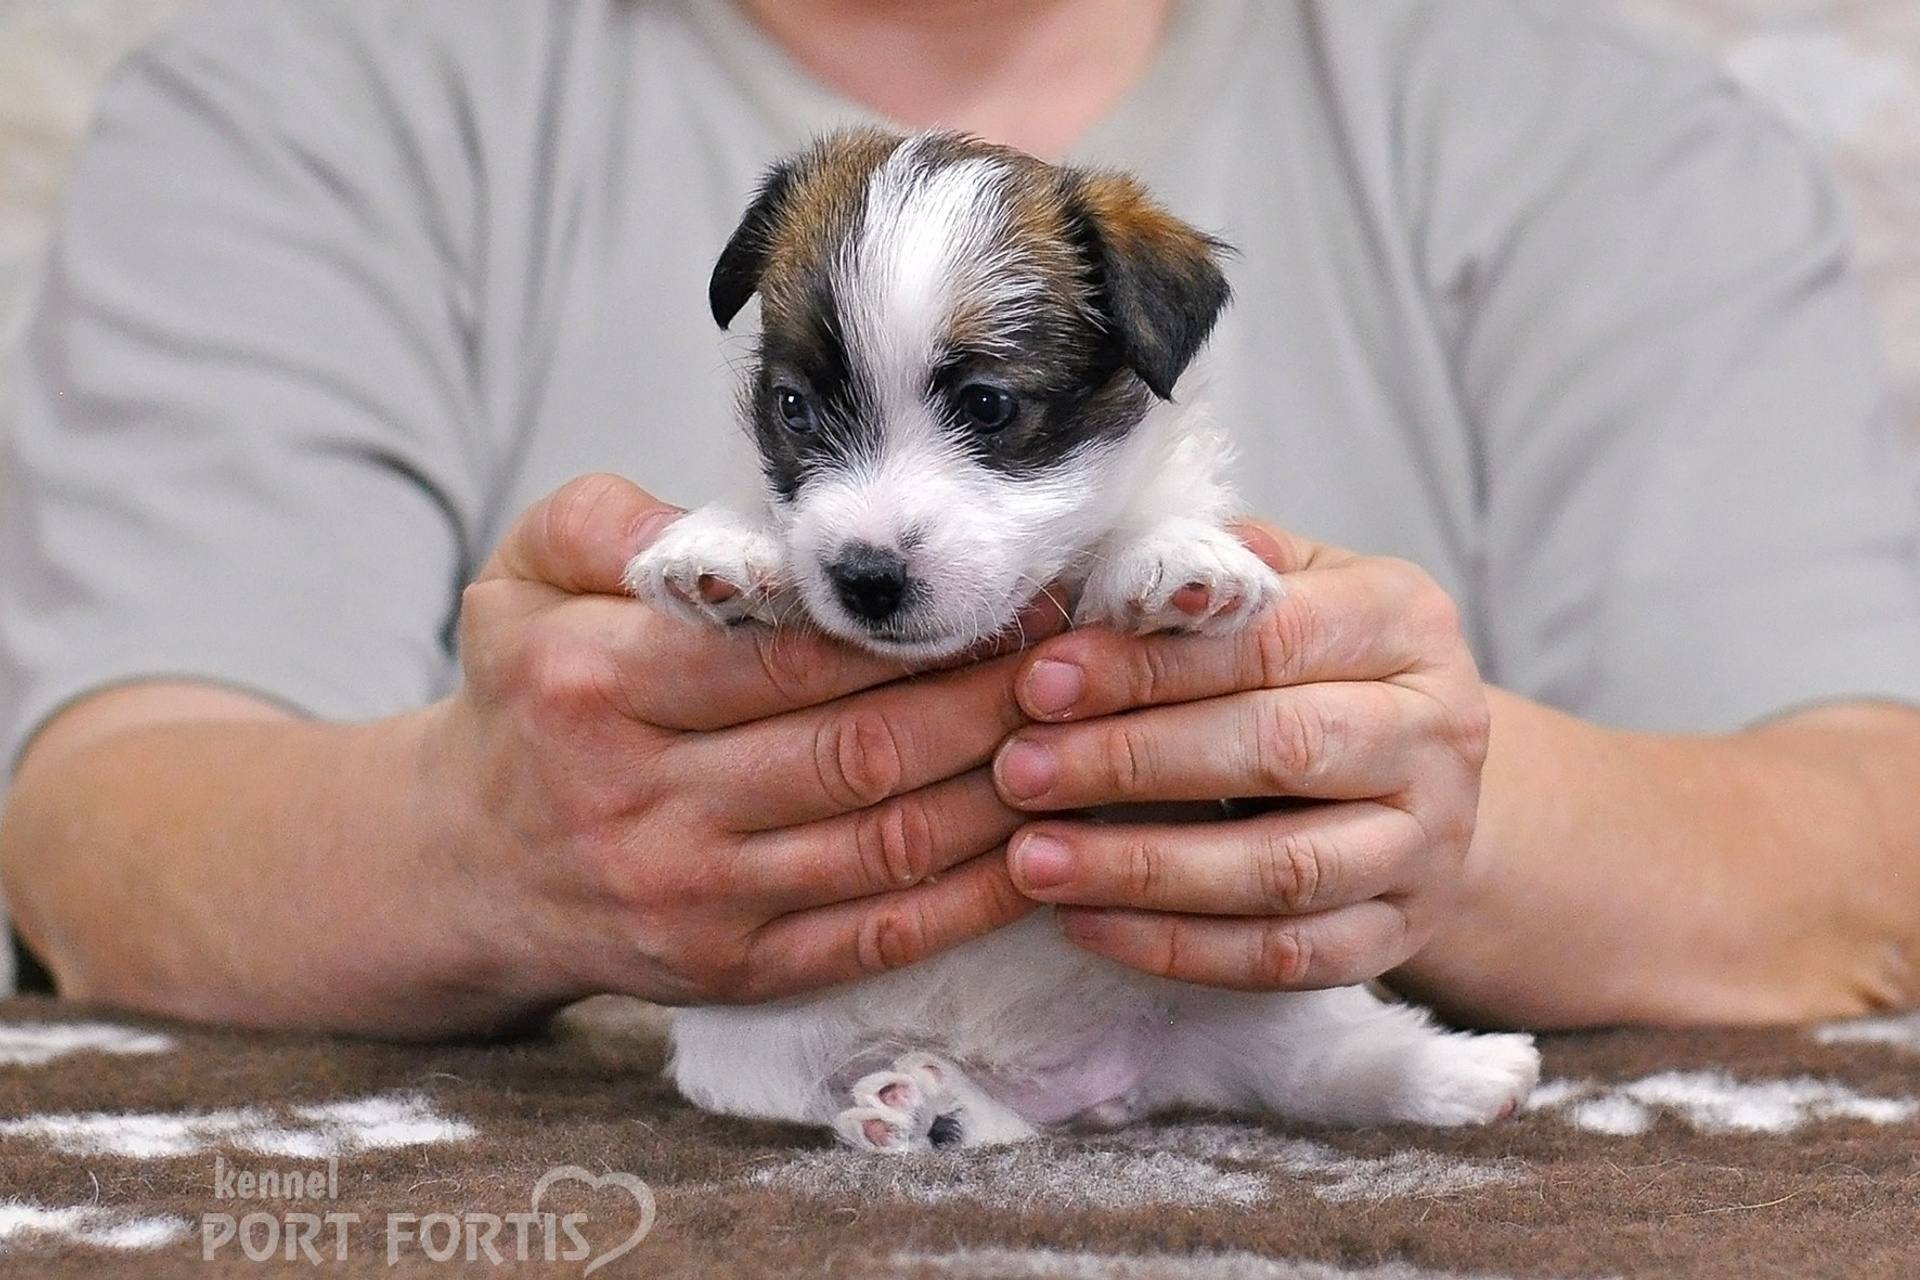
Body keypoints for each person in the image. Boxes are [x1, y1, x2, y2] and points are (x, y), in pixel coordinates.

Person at [1, 0, 1917, 1041]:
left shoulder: (1600, 128)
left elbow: (1871, 849)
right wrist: (465, 848)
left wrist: (1429, 811)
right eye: (811, 411)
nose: (874, 527)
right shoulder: (303, 94)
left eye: (992, 414)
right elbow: (98, 833)